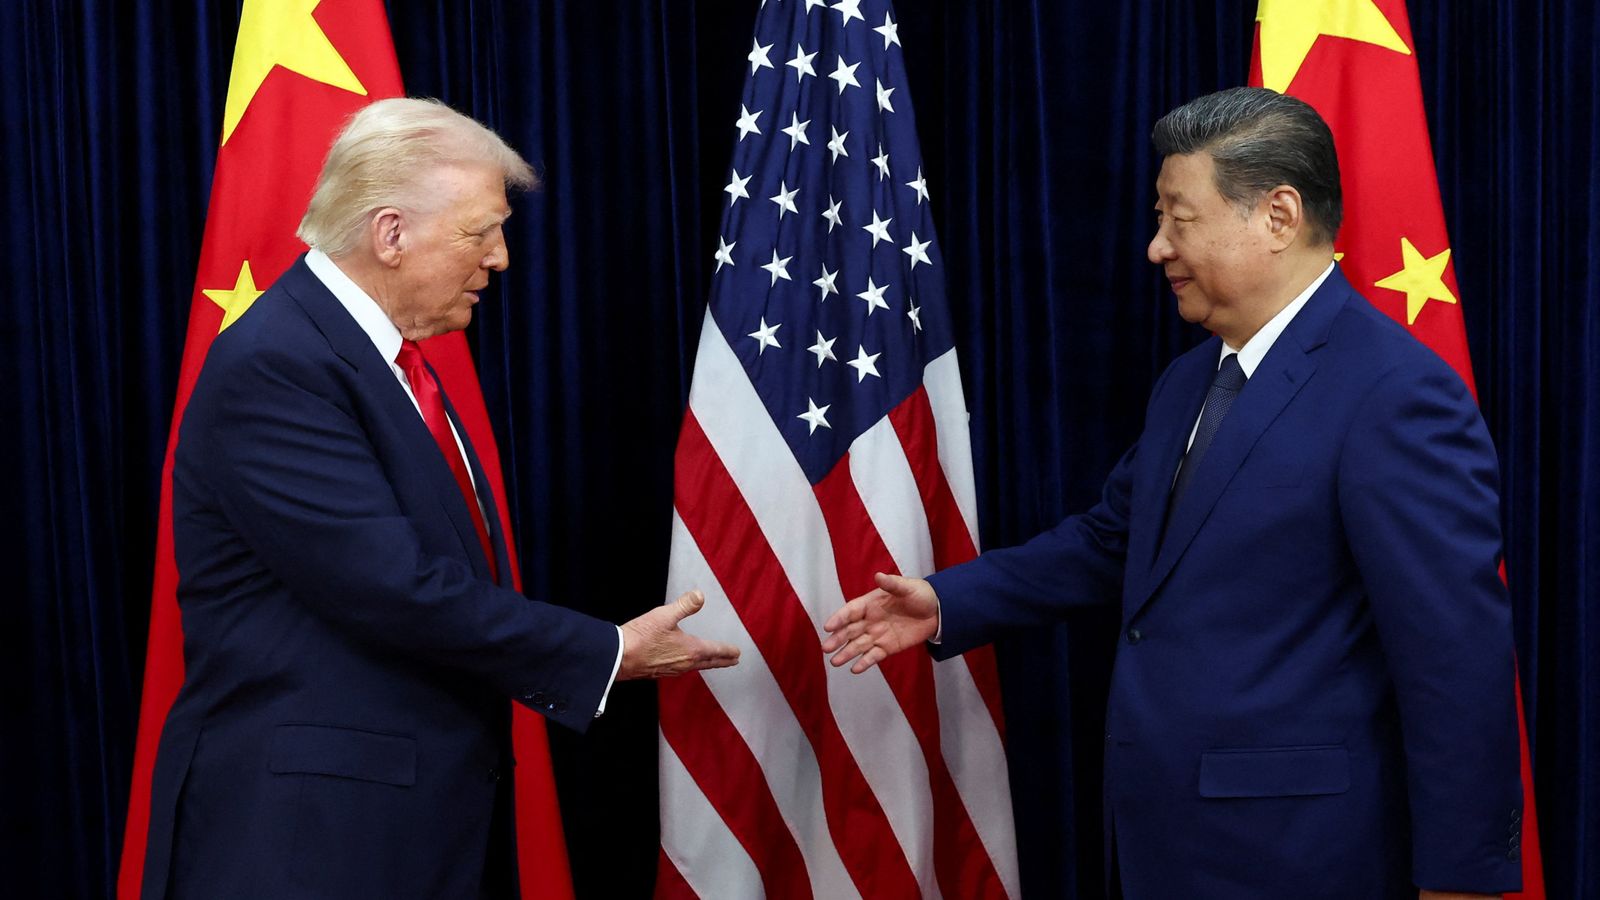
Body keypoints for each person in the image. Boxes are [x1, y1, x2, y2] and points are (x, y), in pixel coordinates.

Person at [821, 87, 1521, 900]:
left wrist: (1462, 883)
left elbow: (1455, 663)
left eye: (1177, 218)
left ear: (1279, 216)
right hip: (1166, 847)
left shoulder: (1395, 394)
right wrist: (947, 602)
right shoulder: (1191, 380)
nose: (1157, 248)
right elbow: (1115, 540)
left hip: (1305, 859)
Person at [141, 98, 739, 899]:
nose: (498, 259)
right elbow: (394, 585)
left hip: (403, 831)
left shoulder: (385, 362)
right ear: (390, 233)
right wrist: (607, 653)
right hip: (308, 845)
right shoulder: (278, 365)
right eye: (480, 231)